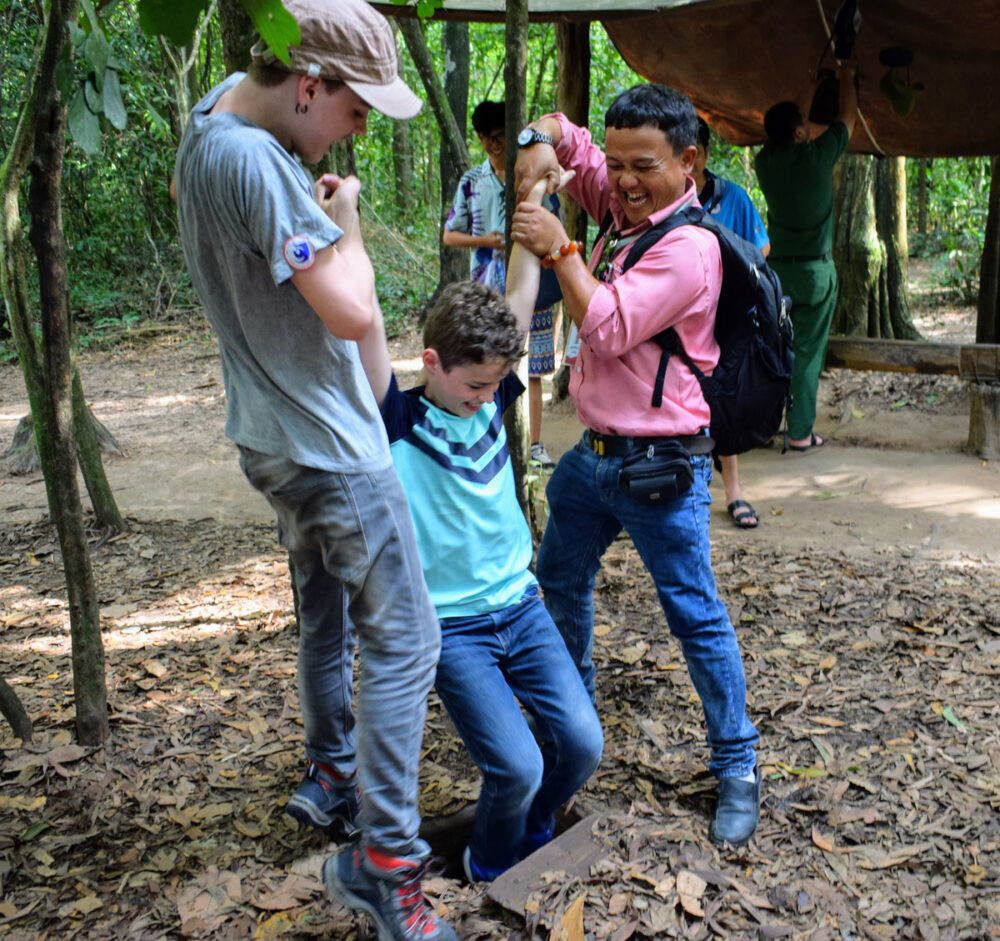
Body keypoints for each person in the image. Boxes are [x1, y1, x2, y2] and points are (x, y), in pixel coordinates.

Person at [172, 1, 455, 938]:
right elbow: (348, 308)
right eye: (358, 106)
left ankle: (334, 770)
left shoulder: (218, 114)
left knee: (326, 617)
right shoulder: (256, 161)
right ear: (309, 85)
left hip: (270, 434)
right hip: (329, 448)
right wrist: (351, 227)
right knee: (408, 640)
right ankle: (385, 865)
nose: (364, 125)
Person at [511, 84, 761, 847]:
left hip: (660, 470)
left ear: (690, 162)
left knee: (695, 616)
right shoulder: (621, 212)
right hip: (592, 460)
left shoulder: (690, 247)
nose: (620, 181)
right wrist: (539, 133)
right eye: (617, 164)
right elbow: (573, 141)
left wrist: (557, 247)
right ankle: (571, 729)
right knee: (558, 582)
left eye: (643, 166)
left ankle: (739, 764)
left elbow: (611, 325)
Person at [356, 278, 603, 882]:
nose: (490, 396)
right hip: (454, 628)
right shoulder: (398, 417)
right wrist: (348, 223)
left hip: (521, 606)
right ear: (433, 363)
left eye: (496, 384)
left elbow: (519, 287)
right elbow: (362, 320)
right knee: (516, 766)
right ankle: (489, 863)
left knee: (581, 744)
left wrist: (534, 195)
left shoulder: (489, 391)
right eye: (476, 385)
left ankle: (535, 832)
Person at [443, 100, 562, 469]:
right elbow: (450, 235)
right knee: (487, 366)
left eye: (498, 136)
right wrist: (487, 241)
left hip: (533, 291)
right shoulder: (471, 182)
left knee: (535, 367)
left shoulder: (527, 175)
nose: (493, 144)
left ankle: (535, 445)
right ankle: (490, 440)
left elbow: (550, 222)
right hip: (485, 292)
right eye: (485, 138)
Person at [755, 63, 858, 452]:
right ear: (800, 132)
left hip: (778, 274)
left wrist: (810, 86)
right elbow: (846, 118)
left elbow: (784, 127)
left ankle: (763, 426)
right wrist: (847, 77)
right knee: (807, 356)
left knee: (775, 350)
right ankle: (799, 433)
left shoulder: (766, 163)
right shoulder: (818, 157)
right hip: (816, 276)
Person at [691, 117, 770, 529]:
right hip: (672, 325)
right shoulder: (655, 197)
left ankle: (734, 492)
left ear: (701, 153)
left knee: (722, 401)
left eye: (691, 153)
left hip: (723, 319)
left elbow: (761, 248)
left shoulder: (732, 198)